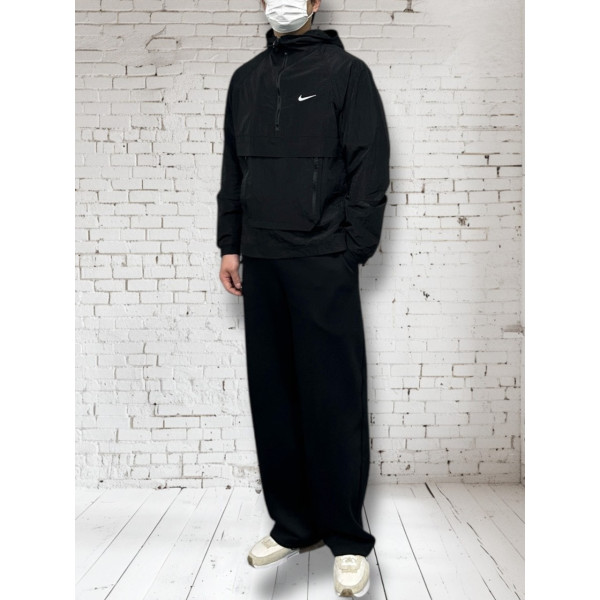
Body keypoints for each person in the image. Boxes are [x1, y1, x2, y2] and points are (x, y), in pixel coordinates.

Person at [216, 0, 390, 596]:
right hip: (261, 258)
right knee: (275, 398)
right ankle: (295, 526)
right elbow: (233, 166)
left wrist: (352, 249)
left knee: (333, 399)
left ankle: (347, 539)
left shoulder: (347, 74)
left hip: (322, 258)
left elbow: (369, 163)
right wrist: (230, 245)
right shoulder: (245, 79)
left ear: (315, 2)